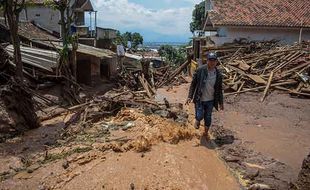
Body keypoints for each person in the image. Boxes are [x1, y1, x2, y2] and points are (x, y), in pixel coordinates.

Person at [186, 52, 224, 140]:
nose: (212, 62)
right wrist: (189, 96)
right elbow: (193, 84)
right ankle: (198, 120)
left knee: (208, 116)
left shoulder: (218, 74)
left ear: (216, 62)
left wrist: (221, 103)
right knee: (199, 115)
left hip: (211, 100)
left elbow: (219, 90)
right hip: (200, 99)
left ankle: (205, 133)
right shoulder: (200, 70)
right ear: (207, 61)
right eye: (210, 60)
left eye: (214, 60)